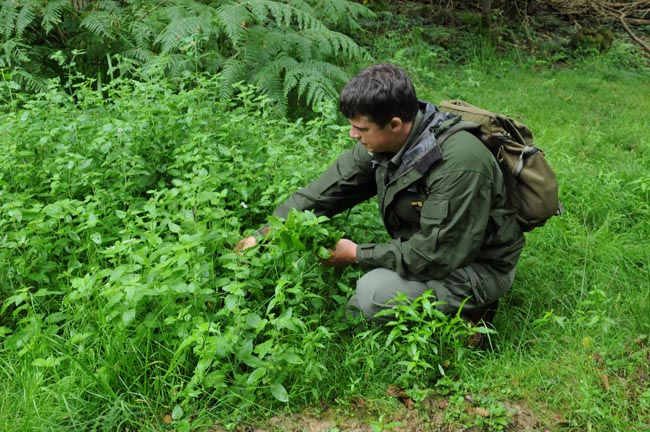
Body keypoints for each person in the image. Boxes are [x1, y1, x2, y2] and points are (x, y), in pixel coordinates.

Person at [237, 63, 525, 326]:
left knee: (370, 294)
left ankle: (473, 311)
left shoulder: (459, 164)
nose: (352, 135)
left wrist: (356, 254)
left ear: (395, 124)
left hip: (477, 266)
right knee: (366, 297)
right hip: (438, 248)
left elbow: (435, 256)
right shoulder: (388, 144)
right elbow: (322, 194)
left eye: (360, 128)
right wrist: (261, 235)